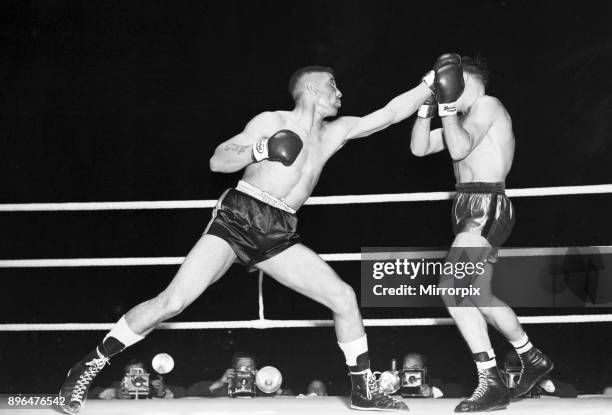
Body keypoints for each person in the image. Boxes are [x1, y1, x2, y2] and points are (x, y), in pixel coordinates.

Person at [60, 63, 437, 413]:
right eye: (332, 84)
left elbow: (388, 115)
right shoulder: (272, 120)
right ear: (310, 87)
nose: (340, 92)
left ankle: (362, 389)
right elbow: (218, 160)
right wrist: (261, 148)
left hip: (279, 231)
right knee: (171, 302)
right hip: (240, 217)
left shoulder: (335, 132)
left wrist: (428, 85)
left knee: (343, 297)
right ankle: (86, 368)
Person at [410, 54, 554, 412]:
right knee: (479, 295)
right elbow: (419, 147)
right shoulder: (464, 119)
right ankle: (531, 357)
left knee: (451, 287)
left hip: (485, 205)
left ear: (461, 82)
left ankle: (490, 379)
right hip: (469, 208)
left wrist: (444, 106)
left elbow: (459, 148)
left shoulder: (487, 105)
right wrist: (428, 107)